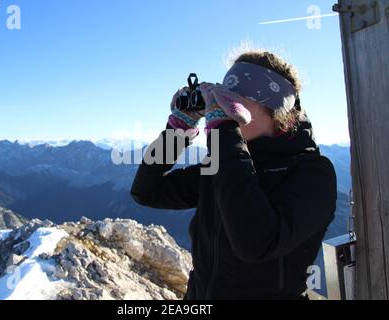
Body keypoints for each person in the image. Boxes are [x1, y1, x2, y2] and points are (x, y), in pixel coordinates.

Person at [131, 50, 337, 300]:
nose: (226, 108)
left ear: (277, 111)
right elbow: (147, 191)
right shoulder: (222, 162)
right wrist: (179, 131)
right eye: (226, 99)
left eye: (238, 101)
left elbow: (256, 243)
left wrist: (224, 131)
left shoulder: (312, 172)